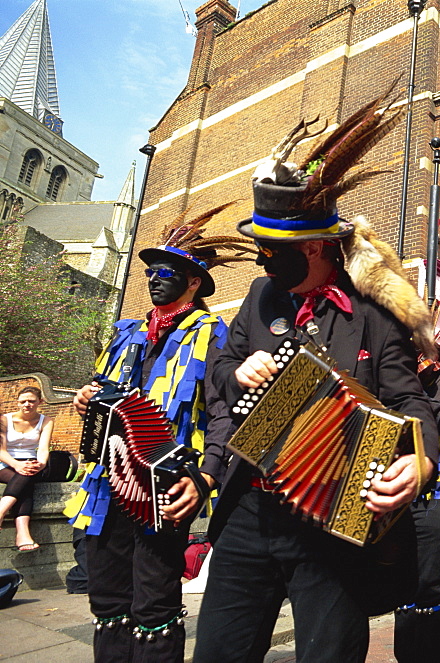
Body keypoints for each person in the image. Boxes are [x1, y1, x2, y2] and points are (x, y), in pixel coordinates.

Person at [194, 101, 438, 663]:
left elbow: (409, 401)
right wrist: (238, 374)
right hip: (248, 513)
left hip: (333, 524)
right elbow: (218, 374)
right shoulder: (260, 298)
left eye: (272, 252)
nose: (262, 263)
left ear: (314, 247)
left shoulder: (373, 315)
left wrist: (420, 461)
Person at [65, 206, 250, 662]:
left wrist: (206, 478)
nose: (154, 277)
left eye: (168, 271)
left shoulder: (212, 334)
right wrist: (86, 398)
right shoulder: (125, 334)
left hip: (164, 488)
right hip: (106, 483)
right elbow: (103, 398)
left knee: (154, 601)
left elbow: (226, 415)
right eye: (151, 270)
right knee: (106, 599)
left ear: (194, 282)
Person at [394, 345, 440, 663]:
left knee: (428, 584)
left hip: (437, 496)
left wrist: (407, 392)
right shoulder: (389, 382)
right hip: (398, 498)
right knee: (399, 583)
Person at [0, 386, 54, 552]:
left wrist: (41, 464)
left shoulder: (46, 421)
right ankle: (22, 533)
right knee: (25, 478)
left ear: (40, 402)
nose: (27, 404)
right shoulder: (4, 420)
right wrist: (17, 464)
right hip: (4, 462)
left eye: (31, 401)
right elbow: (1, 450)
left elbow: (43, 449)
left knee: (28, 473)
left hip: (31, 461)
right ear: (17, 402)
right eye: (23, 401)